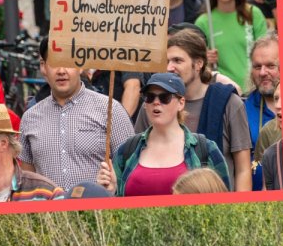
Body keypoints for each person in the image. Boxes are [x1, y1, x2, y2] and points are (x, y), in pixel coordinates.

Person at [97, 73, 227, 197]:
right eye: (150, 96)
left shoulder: (206, 149)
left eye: (165, 97)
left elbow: (226, 204)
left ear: (181, 103)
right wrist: (110, 191)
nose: (156, 102)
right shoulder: (127, 149)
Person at [19, 55, 134, 190]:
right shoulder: (29, 118)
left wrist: (114, 187)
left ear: (81, 65)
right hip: (48, 210)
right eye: (55, 63)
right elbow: (28, 180)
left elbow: (130, 167)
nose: (61, 71)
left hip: (98, 209)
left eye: (68, 62)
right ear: (43, 66)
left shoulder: (110, 109)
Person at [165, 30, 252, 191]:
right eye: (167, 61)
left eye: (177, 60)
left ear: (198, 64)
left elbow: (243, 169)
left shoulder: (229, 103)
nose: (170, 67)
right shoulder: (154, 104)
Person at [193, 0, 267, 87]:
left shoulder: (253, 13)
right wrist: (206, 59)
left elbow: (266, 52)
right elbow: (196, 64)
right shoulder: (203, 22)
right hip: (224, 91)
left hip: (255, 87)